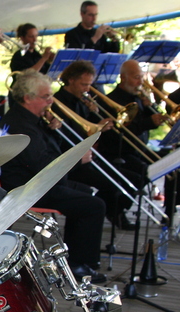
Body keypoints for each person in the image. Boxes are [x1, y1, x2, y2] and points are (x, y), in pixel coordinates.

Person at [0, 69, 107, 282]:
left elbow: (46, 154)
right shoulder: (22, 126)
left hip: (39, 181)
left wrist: (51, 130)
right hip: (28, 187)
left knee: (88, 195)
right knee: (94, 206)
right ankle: (79, 265)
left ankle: (75, 259)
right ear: (28, 98)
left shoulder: (29, 118)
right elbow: (42, 165)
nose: (51, 101)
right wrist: (78, 159)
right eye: (46, 96)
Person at [53, 60, 140, 230]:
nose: (87, 89)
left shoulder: (82, 101)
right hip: (72, 161)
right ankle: (109, 212)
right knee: (112, 183)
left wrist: (96, 115)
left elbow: (90, 128)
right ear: (71, 80)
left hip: (88, 156)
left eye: (89, 85)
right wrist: (95, 126)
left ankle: (114, 211)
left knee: (132, 179)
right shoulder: (59, 101)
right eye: (83, 84)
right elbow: (66, 136)